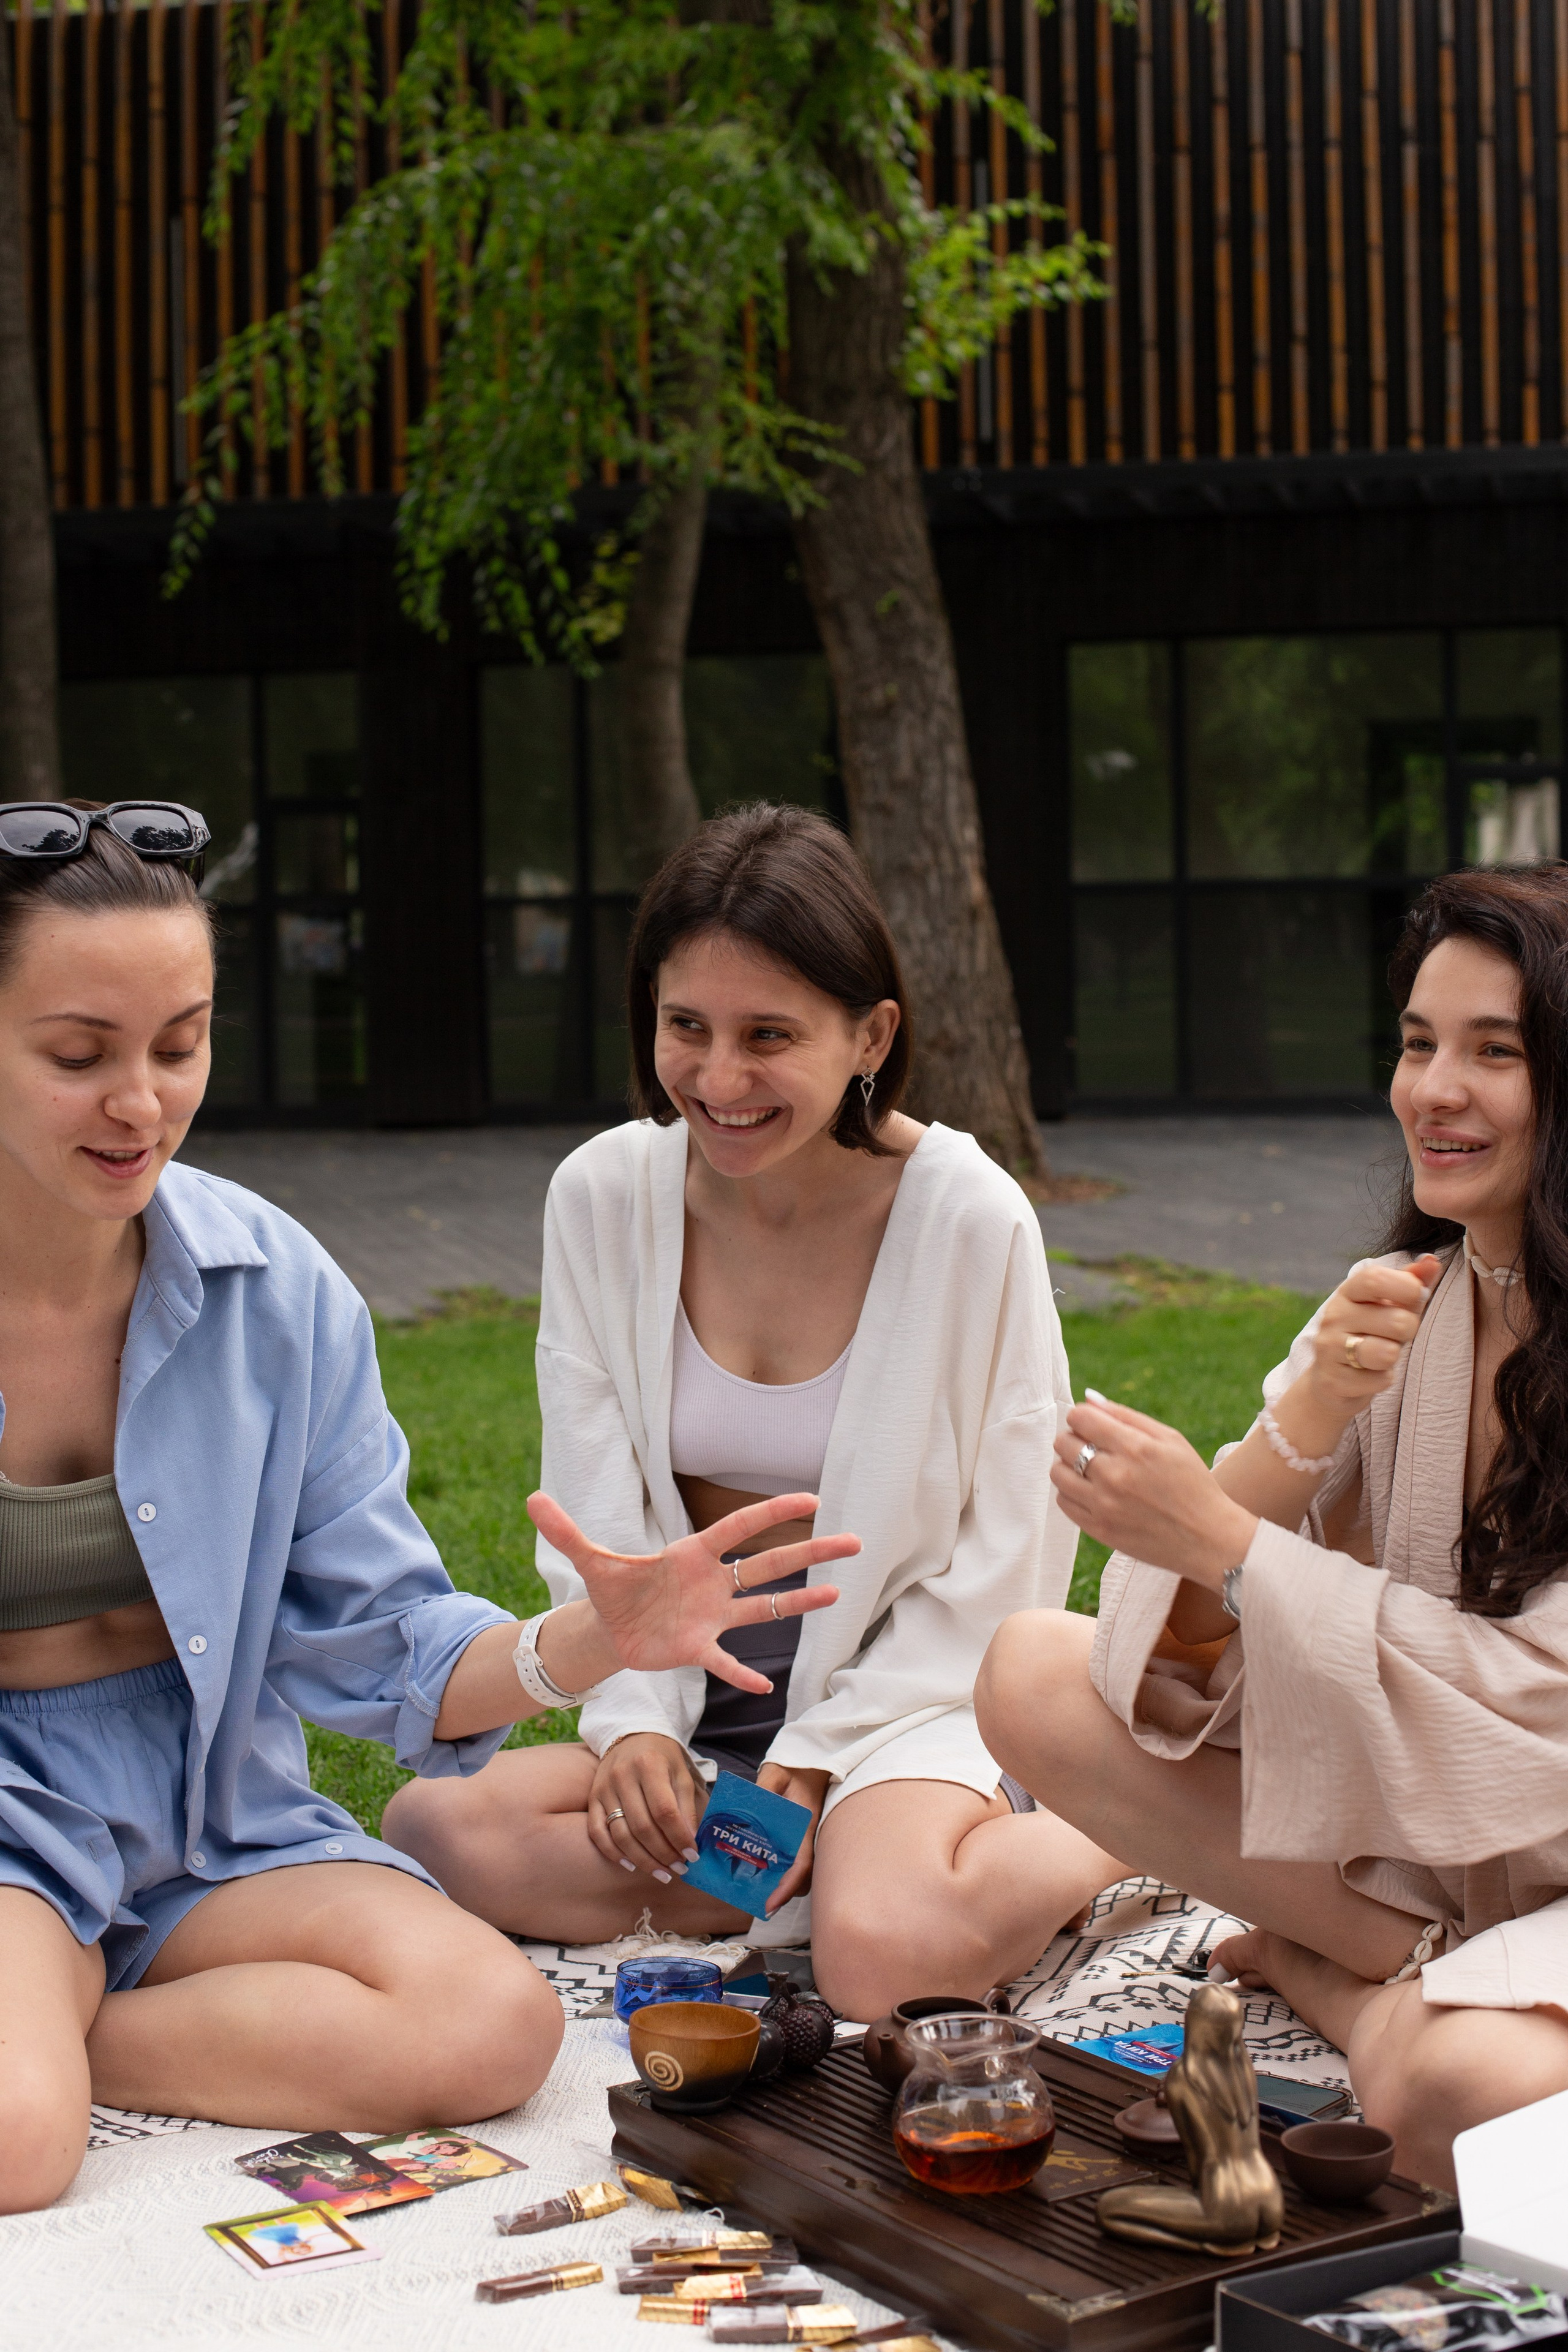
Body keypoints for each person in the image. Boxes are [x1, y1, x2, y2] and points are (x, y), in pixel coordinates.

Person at [0, 796, 849, 2215]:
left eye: (180, 1043)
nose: (142, 1102)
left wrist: (587, 1641)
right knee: (21, 2149)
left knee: (494, 2026)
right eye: (78, 1055)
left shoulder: (276, 1294)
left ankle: (58, 2037)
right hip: (14, 1818)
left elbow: (378, 1635)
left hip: (210, 1813)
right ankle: (36, 2059)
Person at [385, 803, 1121, 2021]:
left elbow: (1010, 1560)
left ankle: (1117, 1816)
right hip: (701, 1710)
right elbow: (596, 1507)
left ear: (869, 1033)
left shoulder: (969, 1218)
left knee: (878, 1964)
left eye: (767, 1034)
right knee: (438, 1831)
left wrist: (821, 1755)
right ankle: (802, 1869)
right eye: (687, 1026)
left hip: (902, 1698)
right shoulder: (601, 1198)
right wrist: (629, 1727)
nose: (717, 1079)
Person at [976, 864, 1568, 2192]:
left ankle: (1346, 1988)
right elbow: (1164, 1662)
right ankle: (1412, 1973)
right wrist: (1303, 1414)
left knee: (1453, 2096)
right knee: (1025, 1665)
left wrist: (1233, 1547)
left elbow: (1545, 1711)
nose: (1433, 1090)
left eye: (1494, 1052)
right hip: (1436, 1853)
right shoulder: (1408, 1299)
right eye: (1416, 1044)